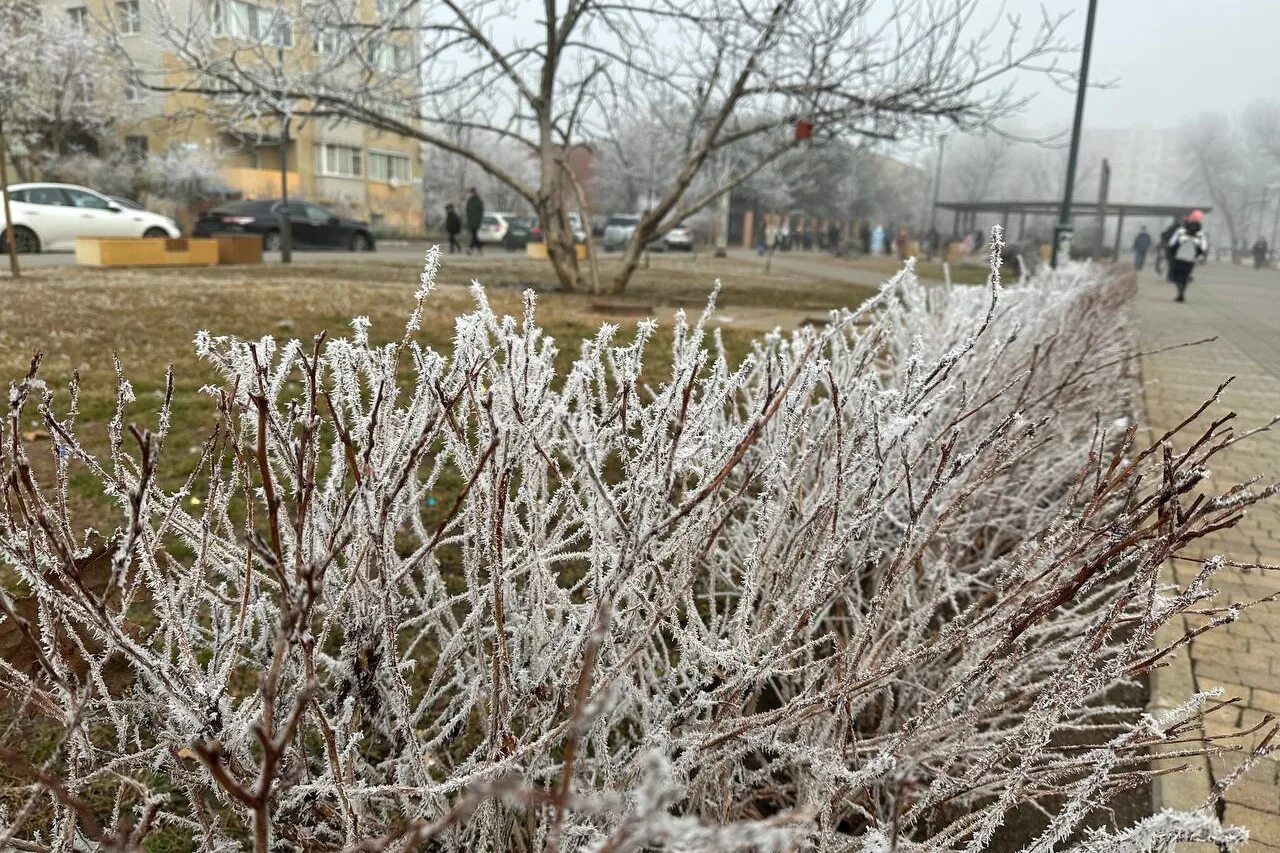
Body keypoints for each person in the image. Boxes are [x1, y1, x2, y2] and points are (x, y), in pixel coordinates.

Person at [1167, 210, 1208, 302]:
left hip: (1179, 255)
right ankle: (1183, 292)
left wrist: (1172, 252)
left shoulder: (1181, 230)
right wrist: (1200, 256)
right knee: (1186, 275)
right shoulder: (1201, 233)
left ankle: (1179, 293)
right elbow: (1204, 246)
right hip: (1191, 257)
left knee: (1178, 275)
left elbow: (1172, 242)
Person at [464, 187, 484, 255]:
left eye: (472, 192)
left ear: (475, 193)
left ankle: (470, 249)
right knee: (475, 236)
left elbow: (481, 212)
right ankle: (479, 249)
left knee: (474, 236)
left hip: (476, 222)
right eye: (471, 193)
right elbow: (467, 211)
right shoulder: (469, 201)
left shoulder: (479, 201)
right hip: (470, 222)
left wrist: (479, 221)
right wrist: (468, 220)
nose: (471, 194)